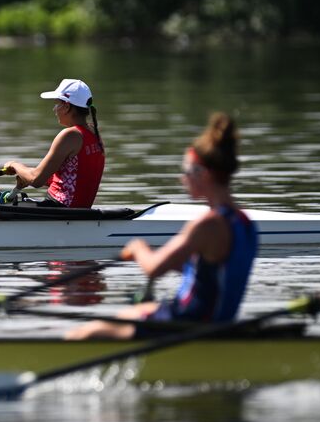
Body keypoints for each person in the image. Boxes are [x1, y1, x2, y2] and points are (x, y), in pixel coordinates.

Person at [66, 113, 257, 340]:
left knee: (89, 330)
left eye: (186, 171)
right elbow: (216, 274)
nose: (182, 178)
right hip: (219, 322)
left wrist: (138, 249)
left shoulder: (207, 225)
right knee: (131, 312)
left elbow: (153, 268)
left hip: (188, 322)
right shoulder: (245, 223)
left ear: (203, 174)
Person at [0, 78, 105, 220]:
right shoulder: (94, 134)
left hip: (58, 211)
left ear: (67, 106)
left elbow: (36, 180)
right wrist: (26, 176)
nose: (54, 109)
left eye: (57, 104)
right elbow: (74, 178)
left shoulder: (70, 135)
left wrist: (15, 166)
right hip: (76, 212)